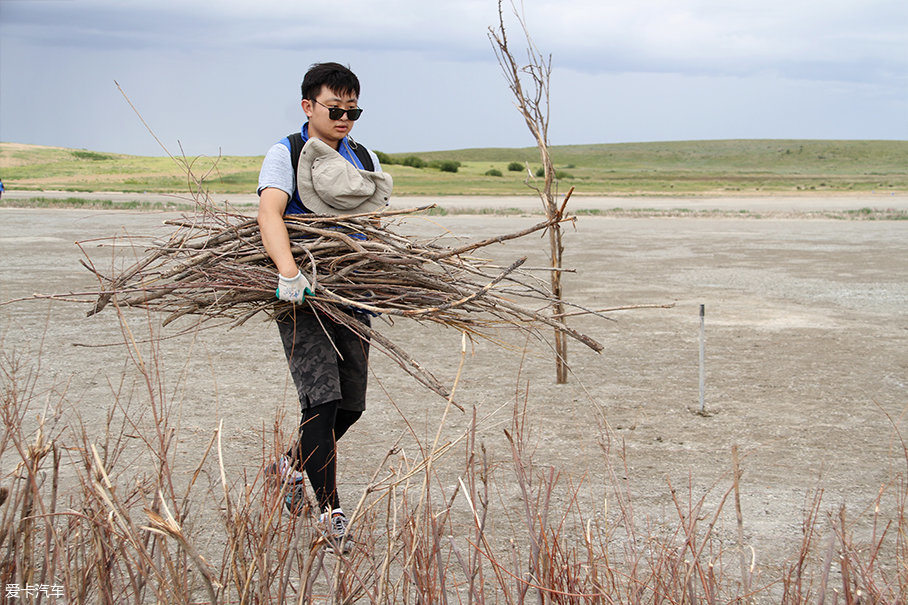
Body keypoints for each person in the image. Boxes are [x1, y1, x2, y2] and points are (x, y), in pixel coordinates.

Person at [257, 62, 391, 554]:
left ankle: (289, 465)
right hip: (302, 296)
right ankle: (331, 513)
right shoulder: (286, 153)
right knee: (322, 401)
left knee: (351, 406)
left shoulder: (362, 155)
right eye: (336, 109)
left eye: (353, 110)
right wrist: (288, 273)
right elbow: (269, 211)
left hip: (354, 296)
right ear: (308, 106)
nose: (346, 118)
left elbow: (370, 225)